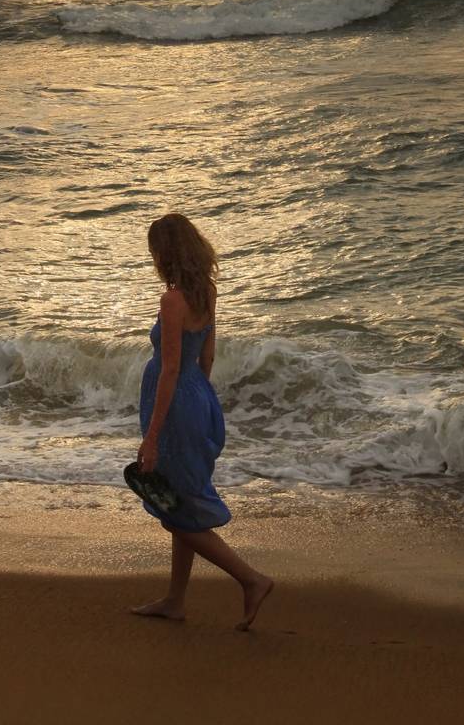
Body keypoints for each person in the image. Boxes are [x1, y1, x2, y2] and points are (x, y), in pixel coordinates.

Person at [129, 211, 275, 631]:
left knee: (173, 509)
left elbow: (170, 368)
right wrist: (199, 402)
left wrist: (154, 436)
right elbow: (205, 358)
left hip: (175, 406)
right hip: (198, 398)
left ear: (165, 254)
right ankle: (175, 600)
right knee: (183, 502)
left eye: (155, 251)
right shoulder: (206, 292)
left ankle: (251, 579)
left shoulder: (172, 300)